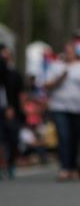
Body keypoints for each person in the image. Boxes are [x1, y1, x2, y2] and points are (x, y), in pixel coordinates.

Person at [45, 42, 80, 181]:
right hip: (59, 106)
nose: (69, 53)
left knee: (76, 138)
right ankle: (64, 168)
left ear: (75, 52)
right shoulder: (56, 66)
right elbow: (46, 84)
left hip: (78, 107)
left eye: (71, 51)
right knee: (63, 137)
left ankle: (73, 167)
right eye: (66, 51)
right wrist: (60, 78)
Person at [0, 45, 26, 180]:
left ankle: (11, 163)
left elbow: (21, 94)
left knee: (13, 140)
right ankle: (2, 166)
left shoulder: (15, 74)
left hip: (13, 111)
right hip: (2, 109)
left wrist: (20, 110)